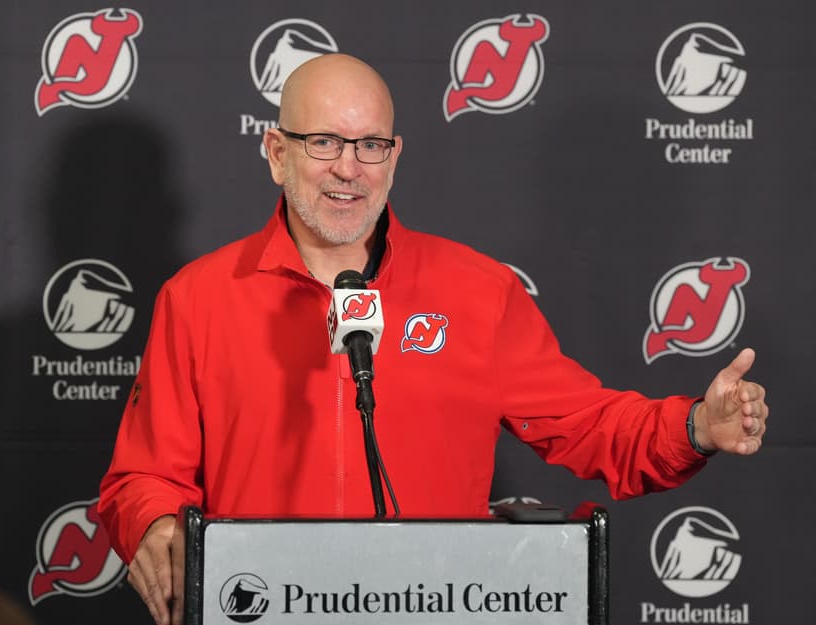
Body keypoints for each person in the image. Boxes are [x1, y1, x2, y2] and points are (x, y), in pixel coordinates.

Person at [98, 54, 768, 625]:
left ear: (394, 157)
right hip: (261, 606)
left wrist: (695, 426)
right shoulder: (199, 298)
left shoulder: (476, 291)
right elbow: (143, 476)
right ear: (277, 153)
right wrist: (156, 524)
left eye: (370, 145)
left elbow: (590, 424)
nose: (348, 168)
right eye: (323, 142)